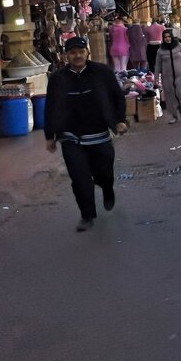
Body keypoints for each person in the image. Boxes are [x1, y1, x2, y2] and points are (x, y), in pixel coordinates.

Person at [43, 36, 129, 231]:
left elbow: (117, 98)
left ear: (87, 52)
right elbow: (50, 108)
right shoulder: (57, 79)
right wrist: (50, 136)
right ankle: (87, 216)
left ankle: (107, 188)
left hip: (99, 135)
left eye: (80, 52)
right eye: (73, 53)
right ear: (67, 55)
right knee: (80, 178)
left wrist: (120, 120)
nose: (77, 56)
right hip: (71, 137)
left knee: (104, 173)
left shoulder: (102, 72)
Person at [154, 28, 181, 123]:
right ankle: (174, 115)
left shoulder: (180, 46)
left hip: (180, 75)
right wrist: (156, 78)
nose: (167, 39)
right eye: (165, 37)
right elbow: (158, 65)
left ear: (172, 37)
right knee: (170, 97)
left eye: (168, 36)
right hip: (167, 77)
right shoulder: (160, 51)